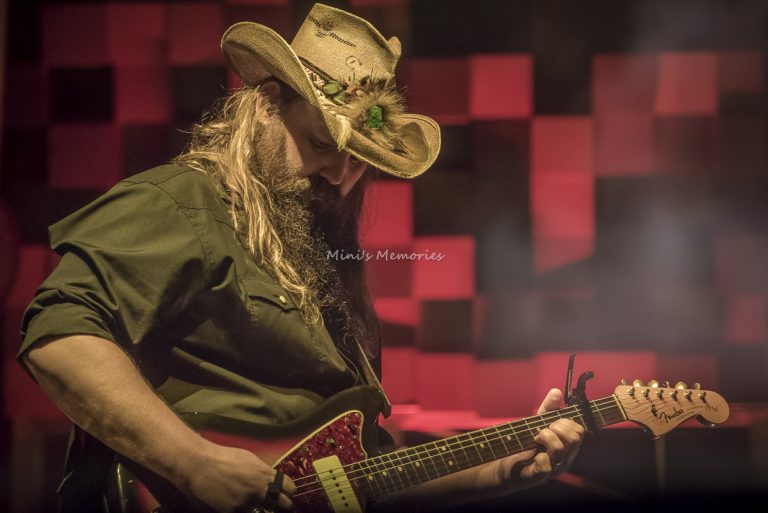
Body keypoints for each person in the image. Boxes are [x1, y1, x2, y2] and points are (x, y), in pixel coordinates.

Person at [18, 4, 584, 512]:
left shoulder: (325, 260)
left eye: (361, 161)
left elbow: (355, 480)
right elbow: (58, 337)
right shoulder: (182, 201)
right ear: (267, 102)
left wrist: (502, 472)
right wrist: (191, 462)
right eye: (321, 145)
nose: (340, 177)